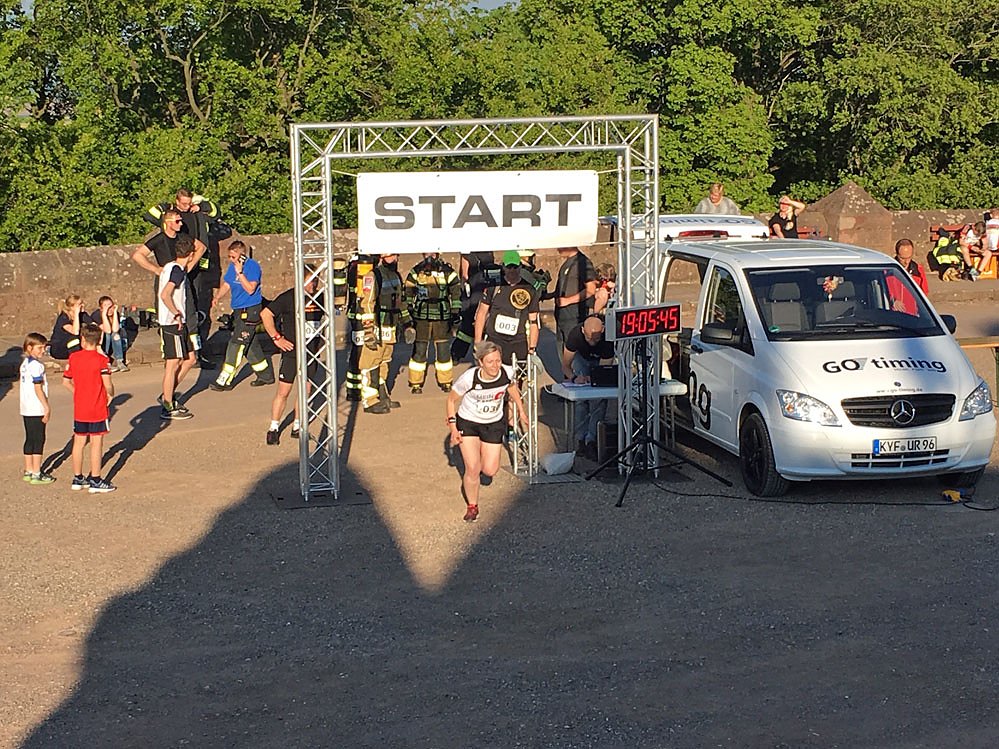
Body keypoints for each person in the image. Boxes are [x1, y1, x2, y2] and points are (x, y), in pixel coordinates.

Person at [445, 340, 530, 522]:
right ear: (480, 362)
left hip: (493, 423)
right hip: (468, 423)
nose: (495, 365)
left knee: (490, 470)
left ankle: (480, 461)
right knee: (473, 468)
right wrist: (453, 427)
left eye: (498, 360)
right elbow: (451, 400)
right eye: (490, 362)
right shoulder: (469, 378)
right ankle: (472, 506)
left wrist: (521, 410)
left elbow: (512, 387)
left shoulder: (507, 372)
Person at [143, 188, 226, 367]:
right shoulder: (170, 217)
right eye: (183, 204)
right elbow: (149, 214)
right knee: (167, 312)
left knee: (192, 310)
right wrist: (167, 208)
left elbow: (216, 212)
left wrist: (201, 206)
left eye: (189, 203)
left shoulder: (196, 213)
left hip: (192, 269)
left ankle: (195, 353)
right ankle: (170, 355)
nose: (186, 208)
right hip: (172, 271)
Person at [260, 266, 324, 444]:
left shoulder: (320, 297)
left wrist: (322, 339)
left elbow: (327, 318)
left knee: (306, 391)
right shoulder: (289, 297)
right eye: (310, 280)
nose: (313, 285)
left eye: (316, 280)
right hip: (291, 352)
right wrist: (277, 338)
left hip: (311, 353)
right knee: (283, 391)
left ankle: (298, 426)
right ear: (301, 280)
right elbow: (266, 314)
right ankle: (274, 428)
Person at [210, 240, 275, 390]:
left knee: (237, 344)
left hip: (250, 310)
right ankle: (265, 375)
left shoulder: (252, 267)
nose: (231, 260)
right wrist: (217, 297)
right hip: (238, 310)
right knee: (250, 344)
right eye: (229, 257)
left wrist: (240, 273)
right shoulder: (232, 267)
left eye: (233, 257)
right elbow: (227, 284)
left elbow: (250, 289)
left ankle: (224, 380)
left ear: (242, 255)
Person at [62, 323, 116, 493]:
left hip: (80, 407)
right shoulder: (102, 360)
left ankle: (78, 477)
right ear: (99, 340)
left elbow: (66, 382)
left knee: (78, 442)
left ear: (82, 339)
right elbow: (108, 384)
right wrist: (111, 394)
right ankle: (96, 479)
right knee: (96, 443)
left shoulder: (74, 358)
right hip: (97, 408)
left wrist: (78, 392)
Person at [357, 253, 412, 414]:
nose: (395, 258)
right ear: (382, 256)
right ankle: (369, 400)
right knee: (370, 363)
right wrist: (369, 331)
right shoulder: (373, 276)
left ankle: (382, 395)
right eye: (391, 255)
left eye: (396, 255)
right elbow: (367, 304)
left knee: (384, 362)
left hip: (390, 327)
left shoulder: (396, 276)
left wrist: (407, 324)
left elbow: (401, 302)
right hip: (377, 327)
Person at [404, 253, 461, 393]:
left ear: (438, 253)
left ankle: (445, 381)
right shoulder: (416, 271)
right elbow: (408, 291)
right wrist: (409, 310)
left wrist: (455, 312)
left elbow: (456, 292)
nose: (430, 256)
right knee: (419, 351)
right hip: (421, 317)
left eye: (433, 253)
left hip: (442, 317)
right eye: (427, 253)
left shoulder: (448, 272)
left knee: (443, 351)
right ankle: (416, 382)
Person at [561, 315, 616, 459]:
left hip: (600, 360)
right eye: (588, 338)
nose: (592, 341)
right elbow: (565, 365)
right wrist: (575, 378)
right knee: (581, 399)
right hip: (581, 358)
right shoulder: (575, 336)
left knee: (599, 398)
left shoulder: (608, 338)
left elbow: (604, 370)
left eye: (596, 339)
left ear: (602, 330)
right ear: (582, 330)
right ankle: (581, 440)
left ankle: (592, 439)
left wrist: (595, 378)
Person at [157, 236, 200, 420]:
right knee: (173, 363)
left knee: (190, 359)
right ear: (190, 255)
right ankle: (168, 405)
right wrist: (176, 313)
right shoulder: (177, 271)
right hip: (172, 322)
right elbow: (165, 294)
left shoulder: (170, 267)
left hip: (178, 322)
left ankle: (167, 393)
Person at [474, 250, 540, 366]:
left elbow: (533, 321)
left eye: (515, 267)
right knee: (493, 371)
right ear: (503, 267)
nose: (512, 270)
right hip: (495, 339)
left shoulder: (529, 289)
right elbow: (482, 313)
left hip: (519, 340)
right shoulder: (493, 286)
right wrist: (478, 342)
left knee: (518, 373)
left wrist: (532, 348)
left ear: (520, 267)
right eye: (509, 267)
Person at [450, 251, 502, 362]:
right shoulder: (469, 252)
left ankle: (485, 353)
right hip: (474, 288)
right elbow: (464, 273)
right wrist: (464, 281)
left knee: (485, 323)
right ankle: (458, 353)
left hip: (486, 287)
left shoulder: (488, 252)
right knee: (468, 324)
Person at [20, 332, 55, 485]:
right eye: (40, 348)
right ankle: (36, 472)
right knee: (39, 439)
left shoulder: (25, 364)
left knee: (29, 438)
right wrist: (46, 407)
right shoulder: (37, 366)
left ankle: (28, 469)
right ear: (30, 347)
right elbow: (38, 388)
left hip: (26, 407)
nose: (43, 351)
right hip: (36, 407)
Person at [553, 245, 597, 349]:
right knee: (561, 348)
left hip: (573, 316)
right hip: (561, 316)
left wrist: (568, 301)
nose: (558, 249)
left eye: (560, 245)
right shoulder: (566, 263)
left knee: (572, 349)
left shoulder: (583, 262)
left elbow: (591, 290)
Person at [885, 239, 928, 316]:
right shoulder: (888, 271)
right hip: (893, 315)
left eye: (909, 257)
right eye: (903, 258)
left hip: (913, 315)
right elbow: (882, 291)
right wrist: (892, 300)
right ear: (897, 254)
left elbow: (924, 294)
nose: (906, 262)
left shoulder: (918, 271)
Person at [90, 296, 129, 373]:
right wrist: (104, 314)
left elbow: (115, 330)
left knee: (116, 335)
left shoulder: (115, 314)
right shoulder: (96, 315)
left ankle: (119, 361)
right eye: (106, 306)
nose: (109, 309)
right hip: (102, 344)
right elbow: (107, 330)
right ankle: (106, 362)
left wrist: (115, 313)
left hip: (113, 344)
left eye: (110, 306)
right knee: (107, 334)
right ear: (101, 308)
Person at [49, 294, 85, 360]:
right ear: (72, 307)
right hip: (60, 348)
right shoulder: (63, 318)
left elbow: (93, 324)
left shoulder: (82, 315)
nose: (82, 305)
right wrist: (76, 314)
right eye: (79, 304)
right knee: (75, 339)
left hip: (71, 346)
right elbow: (75, 332)